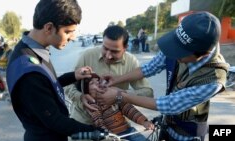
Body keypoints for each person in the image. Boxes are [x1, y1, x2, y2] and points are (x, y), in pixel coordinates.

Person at [97, 12, 229, 141]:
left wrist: (120, 96)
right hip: (166, 124)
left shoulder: (214, 79)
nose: (174, 54)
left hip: (187, 134)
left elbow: (169, 104)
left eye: (180, 53)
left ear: (203, 55)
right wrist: (117, 79)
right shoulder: (177, 45)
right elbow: (150, 68)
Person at [6, 0, 103, 141]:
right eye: (68, 32)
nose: (73, 37)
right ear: (49, 28)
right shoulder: (28, 70)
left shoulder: (33, 50)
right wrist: (97, 132)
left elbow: (47, 86)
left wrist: (73, 76)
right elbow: (55, 121)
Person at [65, 25, 153, 127]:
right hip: (82, 121)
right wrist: (80, 97)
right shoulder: (87, 55)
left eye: (115, 51)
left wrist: (119, 95)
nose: (108, 55)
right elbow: (68, 84)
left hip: (117, 122)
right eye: (105, 48)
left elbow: (148, 92)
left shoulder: (131, 61)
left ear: (125, 48)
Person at [75, 76, 154, 141]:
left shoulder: (111, 95)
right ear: (86, 91)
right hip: (114, 136)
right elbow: (99, 123)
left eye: (97, 80)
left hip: (128, 130)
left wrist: (144, 121)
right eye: (92, 83)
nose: (97, 82)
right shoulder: (92, 104)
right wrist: (109, 136)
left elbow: (128, 109)